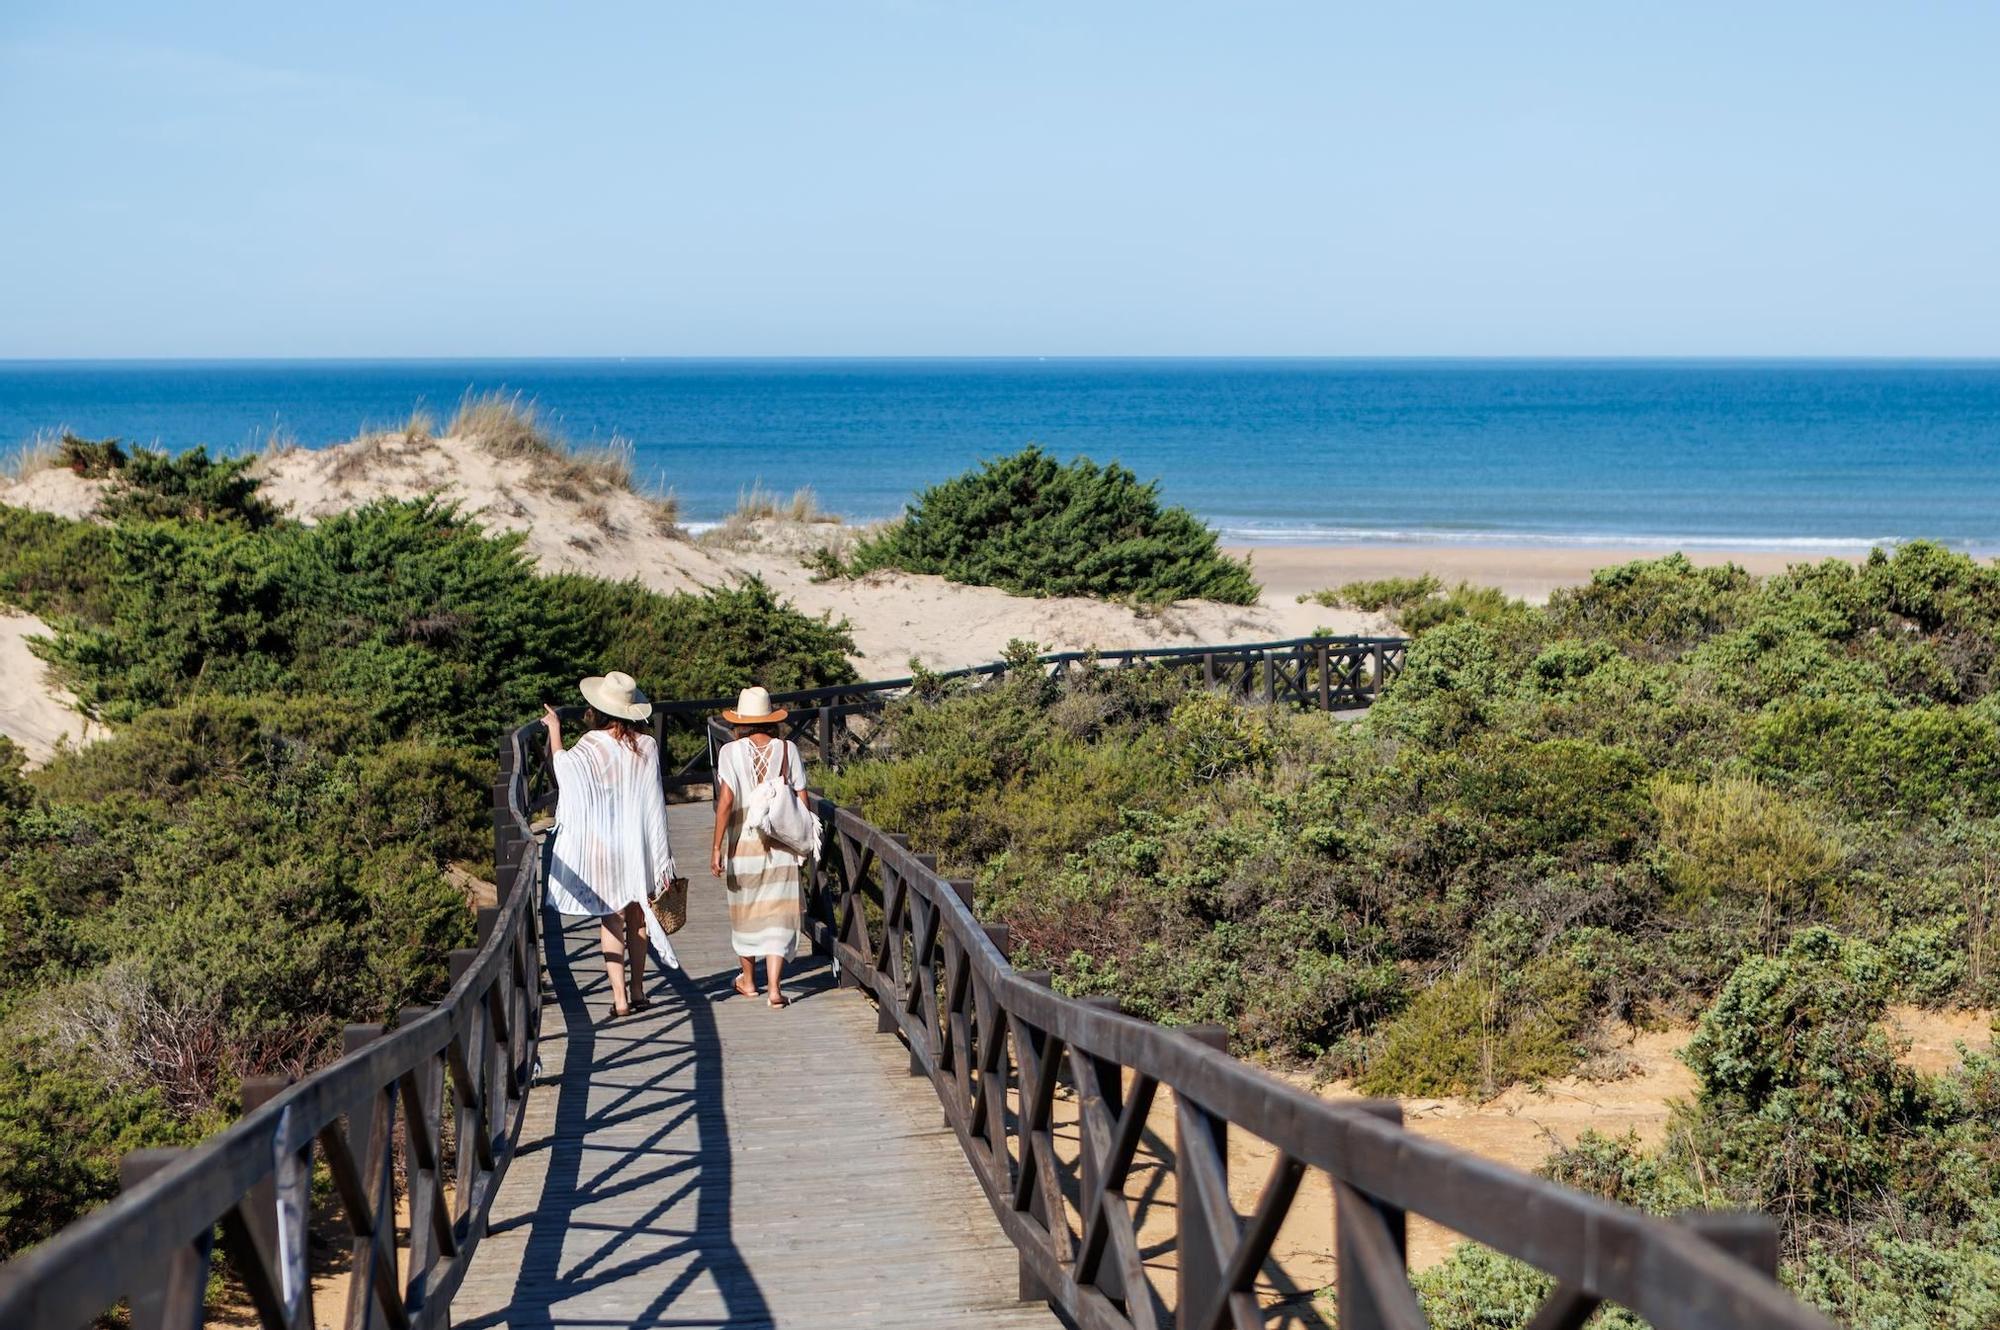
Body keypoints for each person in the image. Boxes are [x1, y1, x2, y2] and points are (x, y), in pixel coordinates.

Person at [543, 671, 680, 1020]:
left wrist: (554, 729)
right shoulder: (647, 746)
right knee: (638, 916)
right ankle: (638, 989)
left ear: (598, 709)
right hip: (636, 844)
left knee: (611, 919)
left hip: (603, 846)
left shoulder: (590, 745)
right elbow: (653, 804)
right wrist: (659, 853)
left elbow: (565, 770)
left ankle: (619, 998)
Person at [709, 686, 810, 1008]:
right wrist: (804, 838)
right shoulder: (788, 749)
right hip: (780, 843)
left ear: (740, 722)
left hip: (744, 844)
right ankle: (776, 989)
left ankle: (749, 981)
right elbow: (801, 798)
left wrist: (717, 846)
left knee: (746, 911)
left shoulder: (730, 752)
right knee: (778, 914)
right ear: (770, 720)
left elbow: (725, 802)